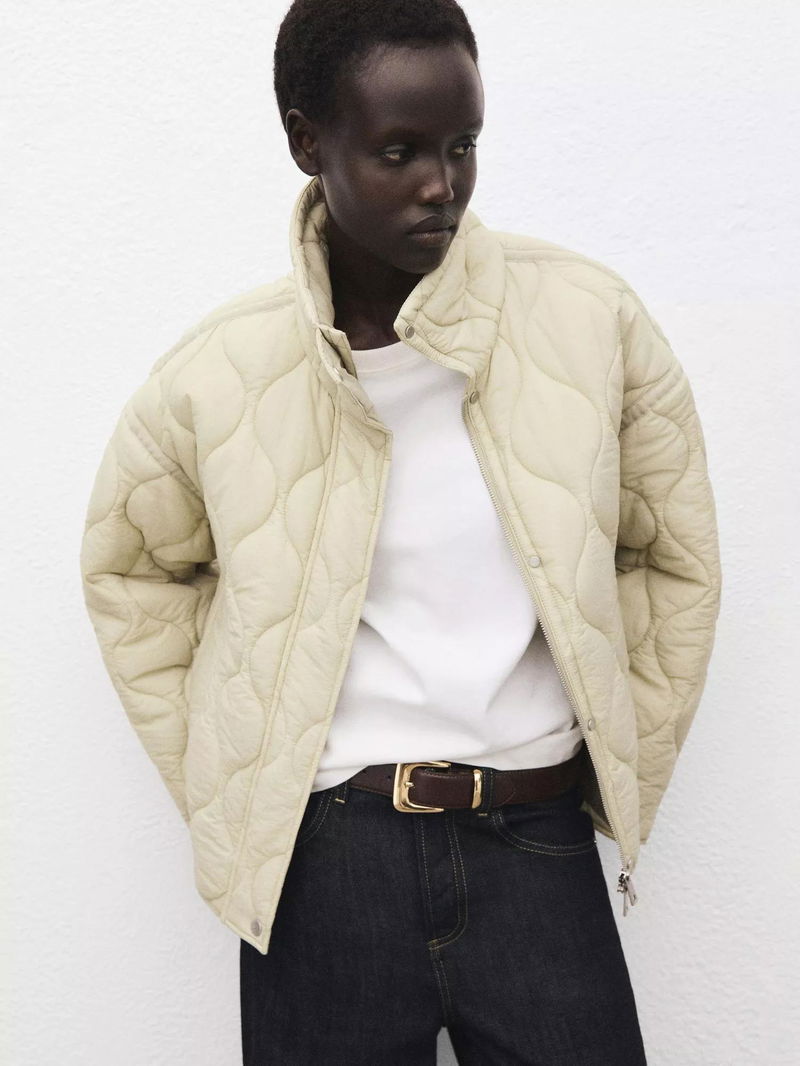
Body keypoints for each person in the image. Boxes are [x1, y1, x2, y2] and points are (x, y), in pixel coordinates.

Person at [79, 0, 722, 1062]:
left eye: (462, 144)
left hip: (537, 839)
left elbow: (671, 557)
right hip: (324, 861)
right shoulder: (216, 374)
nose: (441, 183)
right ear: (307, 142)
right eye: (399, 151)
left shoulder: (591, 322)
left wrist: (617, 752)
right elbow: (134, 571)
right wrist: (239, 769)